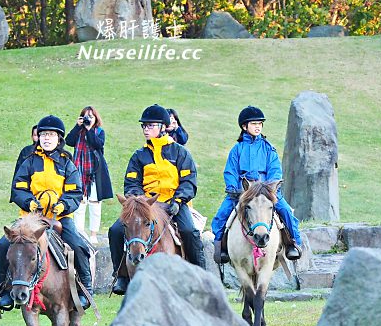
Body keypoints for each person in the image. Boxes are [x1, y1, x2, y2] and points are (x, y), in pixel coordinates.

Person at [0, 115, 93, 310]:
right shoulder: (29, 161)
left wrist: (63, 205)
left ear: (59, 139)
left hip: (60, 218)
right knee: (2, 245)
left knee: (79, 246)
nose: (47, 138)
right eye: (43, 134)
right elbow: (18, 188)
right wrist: (30, 202)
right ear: (38, 137)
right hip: (30, 218)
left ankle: (85, 290)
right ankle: (4, 290)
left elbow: (75, 192)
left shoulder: (67, 163)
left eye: (51, 135)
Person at [109, 104, 204, 296]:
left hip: (173, 204)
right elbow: (131, 183)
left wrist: (178, 201)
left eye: (150, 126)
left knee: (189, 231)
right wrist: (141, 201)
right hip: (146, 206)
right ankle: (122, 276)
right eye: (144, 126)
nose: (146, 129)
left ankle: (200, 277)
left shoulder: (180, 153)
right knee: (116, 230)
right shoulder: (139, 155)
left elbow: (188, 181)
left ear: (163, 127)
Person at [211, 105, 303, 262]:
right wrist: (234, 189)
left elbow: (275, 171)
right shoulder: (237, 149)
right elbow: (230, 171)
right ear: (244, 126)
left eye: (260, 124)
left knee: (286, 211)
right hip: (242, 192)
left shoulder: (269, 148)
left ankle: (293, 244)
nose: (257, 127)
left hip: (267, 191)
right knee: (221, 216)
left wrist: (268, 188)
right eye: (254, 124)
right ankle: (221, 248)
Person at [66, 105, 113, 244]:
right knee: (80, 202)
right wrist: (77, 126)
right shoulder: (78, 132)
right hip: (78, 170)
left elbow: (97, 144)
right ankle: (79, 232)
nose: (88, 119)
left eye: (91, 117)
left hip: (95, 171)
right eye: (86, 116)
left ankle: (93, 233)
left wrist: (88, 129)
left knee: (95, 203)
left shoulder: (99, 132)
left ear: (96, 119)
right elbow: (69, 141)